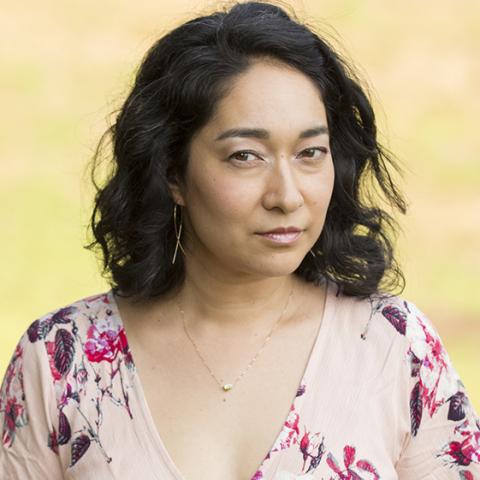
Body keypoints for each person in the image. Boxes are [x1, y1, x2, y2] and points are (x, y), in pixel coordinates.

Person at [1, 1, 479, 478]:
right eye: (246, 156)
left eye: (311, 152)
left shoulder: (393, 347)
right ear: (172, 170)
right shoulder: (62, 360)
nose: (287, 196)